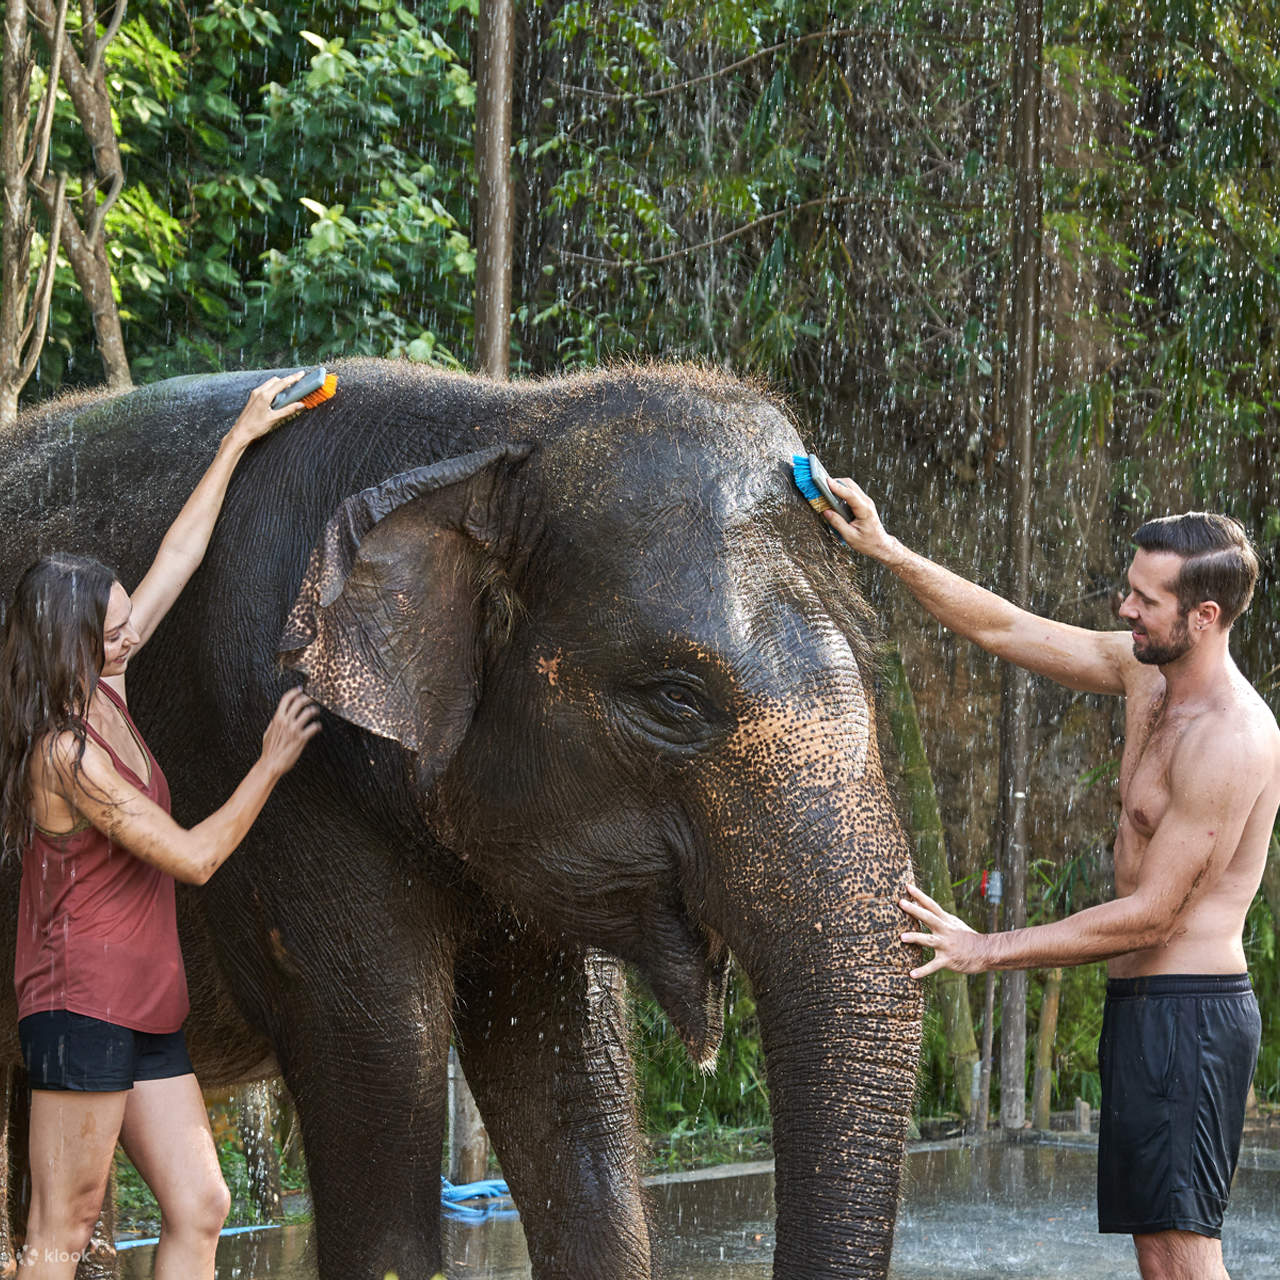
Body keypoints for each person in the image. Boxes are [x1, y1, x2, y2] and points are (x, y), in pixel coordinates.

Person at [822, 478, 1280, 1280]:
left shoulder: (1233, 740)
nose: (1124, 610)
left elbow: (1153, 920)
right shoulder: (1146, 674)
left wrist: (983, 948)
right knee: (1158, 1251)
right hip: (1148, 1013)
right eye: (1127, 589)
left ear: (1203, 618)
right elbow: (1003, 625)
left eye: (1145, 599)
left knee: (1183, 1255)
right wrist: (888, 551)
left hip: (1190, 1018)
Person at [0, 374, 322, 1280]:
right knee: (61, 1229)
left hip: (144, 1003)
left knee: (200, 1203)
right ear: (70, 650)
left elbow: (177, 559)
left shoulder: (107, 687)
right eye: (111, 631)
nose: (129, 635)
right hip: (79, 1007)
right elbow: (196, 856)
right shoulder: (64, 758)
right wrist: (270, 760)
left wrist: (239, 437)